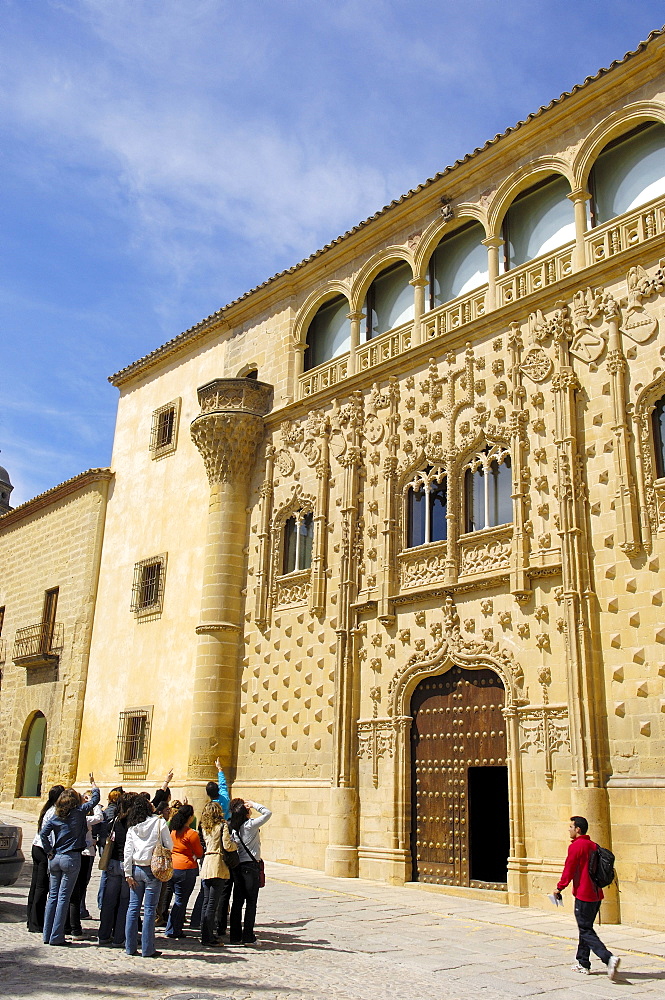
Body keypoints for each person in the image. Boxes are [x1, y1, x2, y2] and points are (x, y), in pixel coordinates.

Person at [555, 816, 620, 980]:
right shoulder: (593, 845)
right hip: (596, 894)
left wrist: (559, 887)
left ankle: (608, 958)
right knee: (586, 929)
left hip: (584, 895)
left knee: (585, 929)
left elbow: (569, 870)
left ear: (578, 829)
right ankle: (583, 963)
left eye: (571, 826)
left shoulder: (577, 846)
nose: (569, 829)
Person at [40, 775, 100, 946]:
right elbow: (96, 799)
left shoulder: (55, 816)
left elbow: (43, 834)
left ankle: (47, 934)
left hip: (56, 857)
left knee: (53, 897)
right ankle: (57, 936)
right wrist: (93, 785)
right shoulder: (79, 813)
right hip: (71, 857)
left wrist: (49, 850)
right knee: (63, 897)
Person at [123, 794, 171, 958]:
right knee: (150, 910)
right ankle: (148, 948)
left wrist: (127, 873)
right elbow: (169, 845)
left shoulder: (132, 827)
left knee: (133, 908)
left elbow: (128, 852)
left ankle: (129, 947)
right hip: (153, 870)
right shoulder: (159, 822)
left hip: (136, 869)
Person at [190, 758, 232, 932]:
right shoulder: (224, 804)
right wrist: (220, 769)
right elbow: (223, 786)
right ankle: (211, 925)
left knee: (205, 892)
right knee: (217, 893)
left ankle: (197, 921)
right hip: (220, 858)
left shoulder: (205, 822)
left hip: (207, 856)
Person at [228, 797, 271, 946]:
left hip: (239, 867)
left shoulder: (234, 828)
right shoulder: (249, 825)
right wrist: (254, 804)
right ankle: (248, 936)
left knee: (238, 902)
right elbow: (267, 813)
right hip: (251, 867)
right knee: (251, 903)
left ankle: (235, 936)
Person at [98, 792, 136, 947]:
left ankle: (103, 934)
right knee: (124, 903)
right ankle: (119, 937)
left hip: (113, 863)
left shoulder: (115, 820)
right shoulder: (133, 824)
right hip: (126, 864)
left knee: (109, 901)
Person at [198, 799, 237, 947]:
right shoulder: (222, 826)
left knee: (206, 902)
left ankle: (204, 934)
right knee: (212, 903)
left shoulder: (203, 827)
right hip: (217, 864)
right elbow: (227, 845)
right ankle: (208, 937)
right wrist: (235, 845)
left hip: (207, 863)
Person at [26, 784, 64, 933]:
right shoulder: (54, 812)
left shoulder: (46, 809)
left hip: (36, 847)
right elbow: (49, 835)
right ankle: (36, 922)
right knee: (42, 887)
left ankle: (31, 918)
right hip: (43, 849)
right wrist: (50, 851)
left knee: (35, 886)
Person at [165, 804, 203, 940]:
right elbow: (199, 852)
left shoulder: (173, 831)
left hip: (173, 866)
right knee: (181, 900)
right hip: (186, 868)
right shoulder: (191, 834)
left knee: (178, 899)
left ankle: (174, 926)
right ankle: (173, 928)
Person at [97, 787, 124, 911]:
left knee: (105, 873)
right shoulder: (114, 812)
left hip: (104, 843)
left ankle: (102, 901)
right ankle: (103, 901)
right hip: (109, 845)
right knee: (106, 873)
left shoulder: (107, 810)